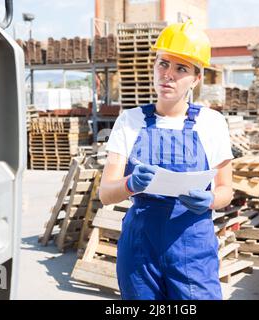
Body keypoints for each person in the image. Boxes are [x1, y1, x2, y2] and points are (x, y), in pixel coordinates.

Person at [99, 20, 234, 300]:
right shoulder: (129, 121)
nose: (168, 75)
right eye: (163, 64)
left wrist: (209, 200)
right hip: (140, 250)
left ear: (196, 78)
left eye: (181, 68)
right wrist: (130, 183)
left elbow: (226, 190)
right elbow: (105, 193)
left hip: (193, 246)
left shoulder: (212, 123)